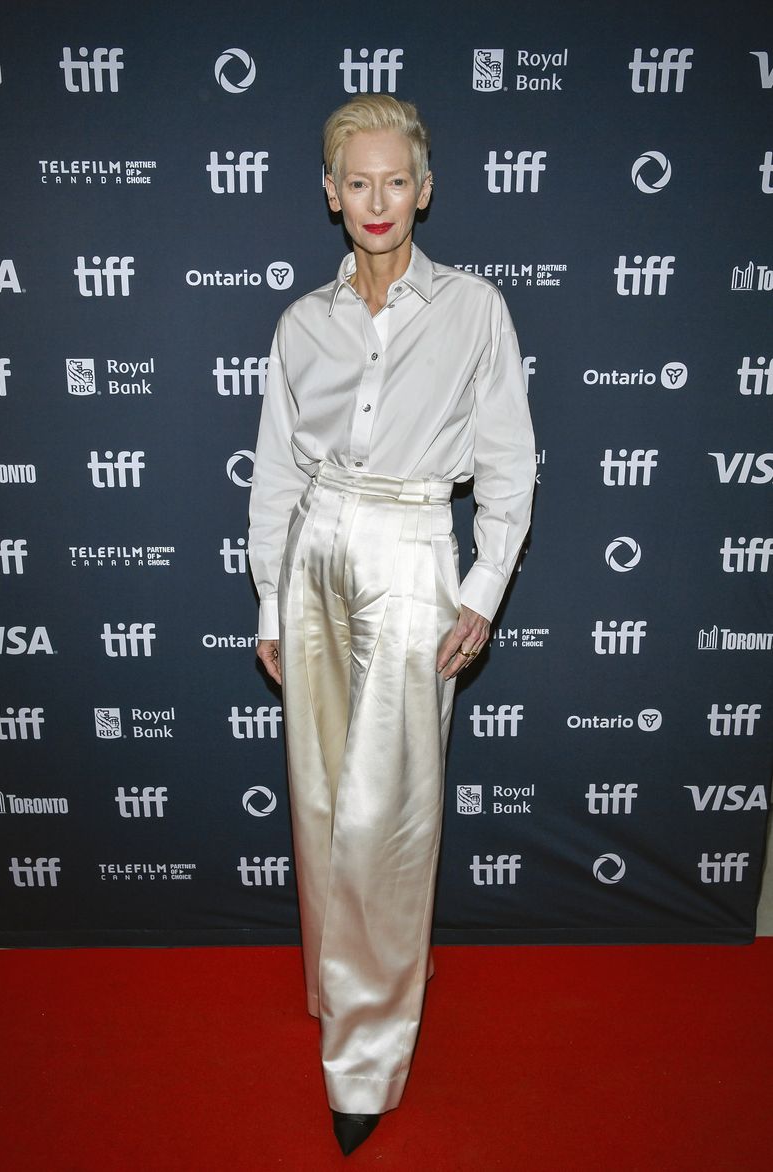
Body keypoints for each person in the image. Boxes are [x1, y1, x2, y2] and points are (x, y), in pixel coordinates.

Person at [248, 94, 536, 1156]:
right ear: (330, 195)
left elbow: (507, 464)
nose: (377, 201)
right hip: (314, 548)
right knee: (322, 795)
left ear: (425, 187)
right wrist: (271, 598)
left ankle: (365, 1061)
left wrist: (482, 588)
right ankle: (338, 987)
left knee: (386, 815)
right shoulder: (300, 323)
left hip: (414, 551)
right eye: (355, 182)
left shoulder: (473, 310)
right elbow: (277, 469)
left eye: (394, 180)